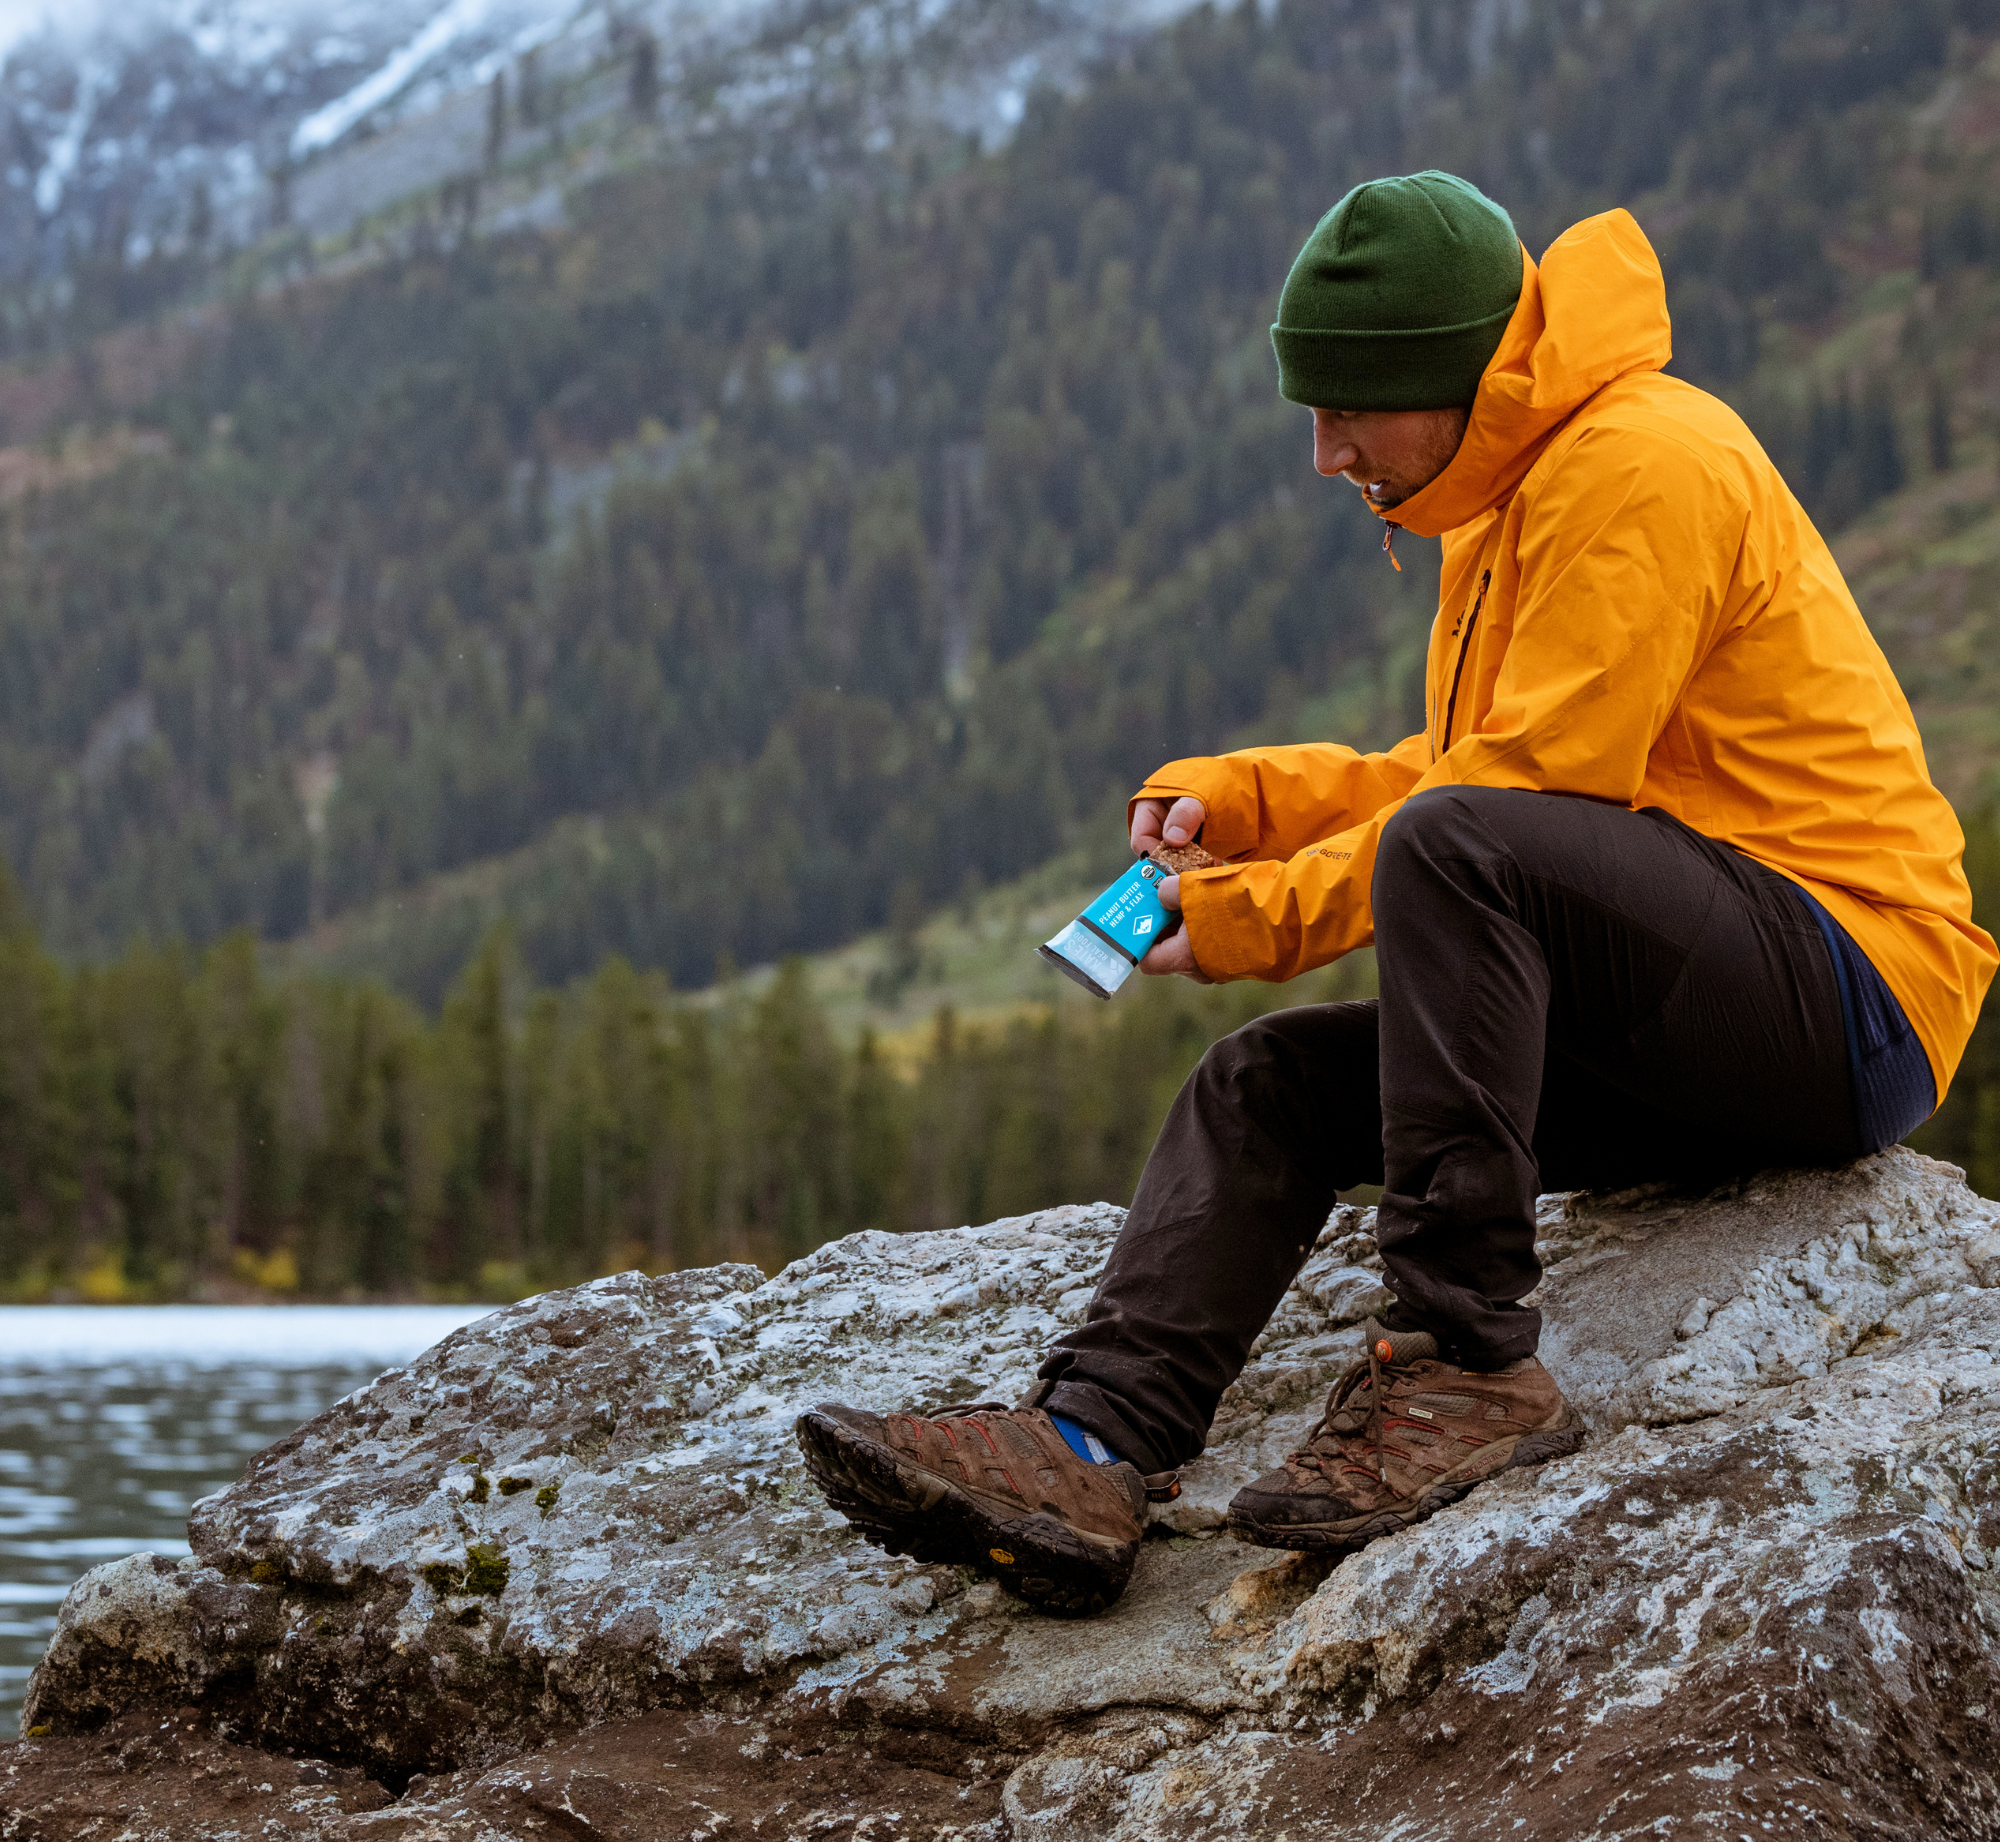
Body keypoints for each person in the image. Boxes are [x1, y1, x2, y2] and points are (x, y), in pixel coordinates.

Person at [795, 170, 1997, 1616]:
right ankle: (1088, 1444)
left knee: (1459, 845)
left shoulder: (1643, 467)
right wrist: (1241, 801)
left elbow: (1510, 804)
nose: (1324, 453)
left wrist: (1246, 916)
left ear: (1452, 380)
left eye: (1347, 409)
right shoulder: (1507, 495)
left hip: (1852, 992)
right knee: (1269, 1086)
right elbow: (1453, 768)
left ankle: (1466, 1365)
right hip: (1693, 1011)